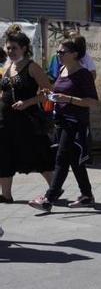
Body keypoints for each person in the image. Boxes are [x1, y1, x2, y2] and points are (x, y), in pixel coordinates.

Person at [28, 32, 99, 212]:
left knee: (61, 158)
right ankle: (87, 195)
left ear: (74, 54)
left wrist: (67, 99)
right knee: (74, 160)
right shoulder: (61, 70)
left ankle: (48, 198)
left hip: (75, 122)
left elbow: (92, 101)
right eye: (58, 52)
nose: (58, 55)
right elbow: (57, 92)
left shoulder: (83, 74)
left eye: (62, 52)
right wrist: (49, 95)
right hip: (61, 121)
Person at [1, 25, 54, 203]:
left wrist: (28, 102)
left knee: (38, 154)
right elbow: (4, 92)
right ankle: (6, 195)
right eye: (8, 48)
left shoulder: (32, 67)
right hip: (5, 120)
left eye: (14, 48)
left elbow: (48, 92)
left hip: (27, 120)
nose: (10, 51)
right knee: (4, 155)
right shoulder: (8, 67)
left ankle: (54, 189)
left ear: (24, 48)